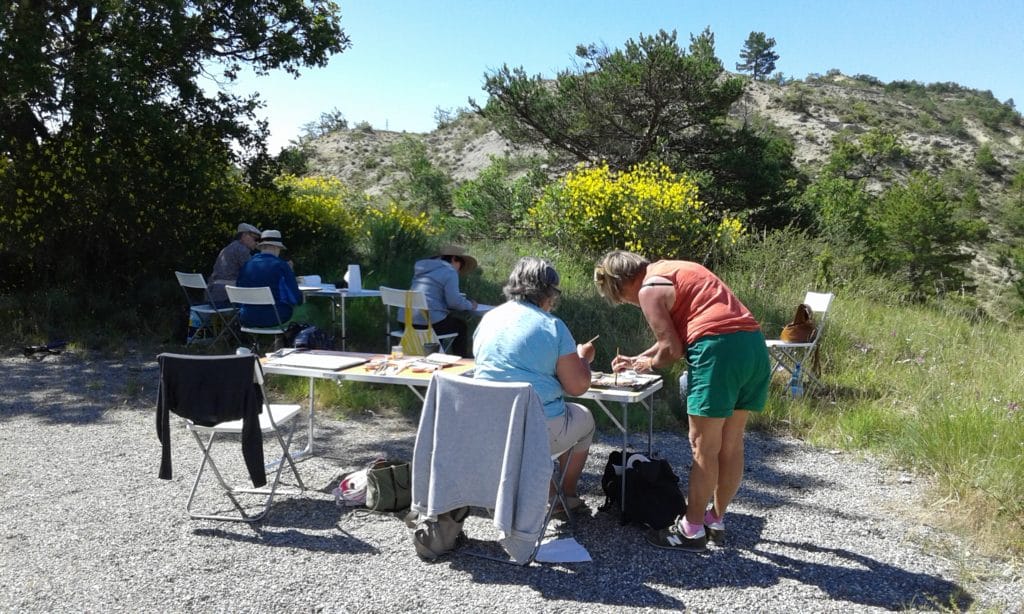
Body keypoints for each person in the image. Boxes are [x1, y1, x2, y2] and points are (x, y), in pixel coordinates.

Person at [593, 250, 770, 552]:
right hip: (752, 346)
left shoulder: (648, 289)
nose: (626, 302)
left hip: (717, 351)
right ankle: (715, 519)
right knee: (732, 443)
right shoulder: (673, 268)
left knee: (704, 446)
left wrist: (647, 365)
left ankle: (690, 530)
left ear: (622, 283)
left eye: (620, 297)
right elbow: (676, 335)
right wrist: (641, 358)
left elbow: (672, 350)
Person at [473, 257, 597, 516]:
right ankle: (563, 496)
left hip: (487, 429)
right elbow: (577, 387)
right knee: (585, 419)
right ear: (549, 292)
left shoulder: (489, 319)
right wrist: (583, 358)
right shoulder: (552, 326)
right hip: (533, 430)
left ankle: (545, 491)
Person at [408, 245, 479, 357]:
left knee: (442, 320)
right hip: (428, 323)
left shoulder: (422, 270)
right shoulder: (449, 271)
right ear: (454, 259)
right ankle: (461, 359)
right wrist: (471, 305)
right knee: (461, 326)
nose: (460, 269)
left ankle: (433, 354)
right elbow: (454, 302)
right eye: (461, 264)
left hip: (405, 322)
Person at [235, 230, 304, 328]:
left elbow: (239, 293)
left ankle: (263, 340)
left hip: (247, 317)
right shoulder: (281, 266)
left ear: (262, 247)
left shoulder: (247, 265)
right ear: (276, 247)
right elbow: (295, 298)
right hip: (275, 318)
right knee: (309, 309)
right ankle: (295, 341)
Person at [208, 223, 261, 306]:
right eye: (255, 239)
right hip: (227, 298)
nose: (257, 243)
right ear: (244, 235)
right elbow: (253, 273)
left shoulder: (228, 248)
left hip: (213, 295)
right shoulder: (242, 250)